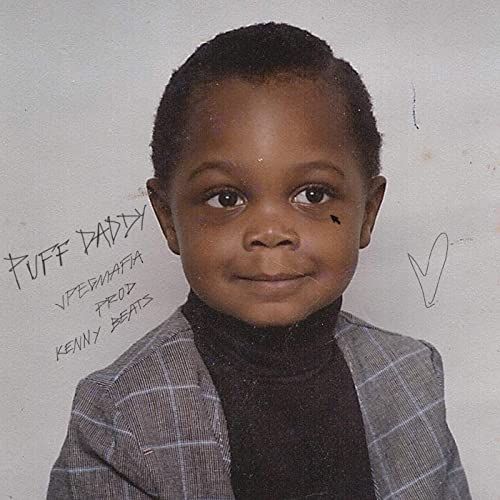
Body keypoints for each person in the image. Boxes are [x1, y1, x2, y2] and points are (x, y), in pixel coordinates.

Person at [47, 22, 471, 499]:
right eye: (225, 198)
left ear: (367, 212)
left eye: (314, 194)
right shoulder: (118, 417)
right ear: (167, 218)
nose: (270, 232)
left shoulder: (412, 376)